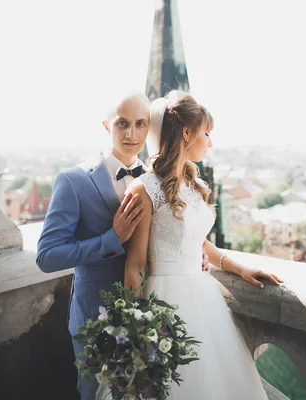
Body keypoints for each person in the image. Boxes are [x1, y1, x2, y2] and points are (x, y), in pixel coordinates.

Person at [120, 90, 286, 399]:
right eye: (206, 133)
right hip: (163, 303)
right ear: (187, 132)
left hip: (204, 298)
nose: (209, 141)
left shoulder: (192, 185)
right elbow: (135, 264)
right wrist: (134, 328)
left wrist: (240, 267)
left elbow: (198, 242)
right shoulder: (144, 189)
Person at [36, 91, 151, 399]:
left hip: (148, 314)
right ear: (106, 125)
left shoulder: (154, 180)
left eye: (141, 124)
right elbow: (47, 256)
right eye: (122, 123)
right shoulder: (73, 180)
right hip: (94, 317)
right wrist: (111, 240)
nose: (131, 134)